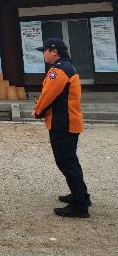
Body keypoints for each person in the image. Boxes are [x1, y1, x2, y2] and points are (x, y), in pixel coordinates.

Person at [32, 38, 91, 218]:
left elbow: (48, 95)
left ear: (54, 51)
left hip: (62, 123)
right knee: (70, 160)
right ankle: (81, 195)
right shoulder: (68, 66)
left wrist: (37, 111)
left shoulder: (58, 70)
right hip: (69, 121)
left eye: (45, 51)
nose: (44, 54)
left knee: (66, 162)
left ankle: (80, 206)